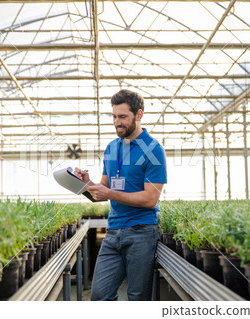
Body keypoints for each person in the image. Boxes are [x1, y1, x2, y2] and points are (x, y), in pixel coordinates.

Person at [73, 89, 167, 301]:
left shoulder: (153, 149)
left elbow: (151, 199)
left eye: (123, 117)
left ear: (139, 115)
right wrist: (87, 182)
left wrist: (109, 192)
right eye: (114, 116)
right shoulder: (111, 148)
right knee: (99, 296)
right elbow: (103, 192)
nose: (117, 122)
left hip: (141, 232)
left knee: (137, 298)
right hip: (113, 232)